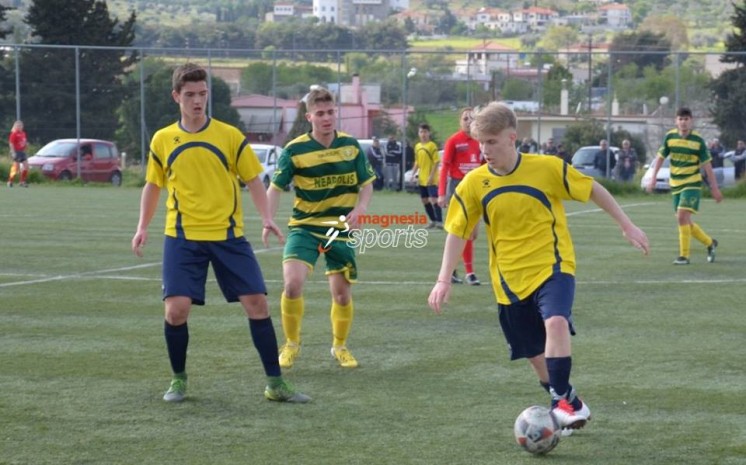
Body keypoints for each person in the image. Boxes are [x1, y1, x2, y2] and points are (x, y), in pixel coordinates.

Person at [428, 101, 650, 432]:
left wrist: (626, 225)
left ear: (511, 137)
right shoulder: (473, 183)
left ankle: (560, 403)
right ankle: (568, 398)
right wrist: (443, 279)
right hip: (508, 279)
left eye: (492, 141)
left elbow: (592, 188)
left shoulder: (547, 168)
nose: (485, 150)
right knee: (534, 354)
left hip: (553, 266)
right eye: (481, 142)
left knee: (556, 322)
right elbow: (457, 231)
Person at [131, 63, 309, 404]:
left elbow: (253, 180)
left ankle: (275, 384)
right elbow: (153, 185)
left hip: (228, 236)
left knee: (257, 303)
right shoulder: (163, 139)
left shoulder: (229, 136)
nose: (197, 101)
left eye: (202, 94)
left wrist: (266, 217)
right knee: (176, 311)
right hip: (182, 237)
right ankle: (178, 380)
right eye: (190, 95)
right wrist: (142, 226)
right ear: (176, 97)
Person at [267, 86, 375, 370]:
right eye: (320, 114)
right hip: (304, 227)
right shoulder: (294, 150)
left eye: (330, 112)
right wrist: (268, 218)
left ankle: (340, 346)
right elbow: (275, 188)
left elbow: (366, 184)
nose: (326, 118)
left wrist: (361, 208)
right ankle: (291, 344)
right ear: (309, 116)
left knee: (341, 294)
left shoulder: (351, 146)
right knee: (292, 284)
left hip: (339, 229)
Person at [646, 107, 722, 265]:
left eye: (686, 119)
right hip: (676, 184)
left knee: (681, 217)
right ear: (676, 121)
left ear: (691, 121)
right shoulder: (670, 137)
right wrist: (653, 178)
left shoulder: (698, 140)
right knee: (685, 220)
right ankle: (710, 243)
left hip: (692, 183)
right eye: (680, 119)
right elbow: (660, 158)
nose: (683, 122)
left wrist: (714, 188)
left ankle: (684, 256)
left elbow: (707, 166)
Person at [438, 107, 482, 285]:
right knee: (462, 230)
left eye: (471, 118)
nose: (468, 121)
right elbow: (445, 167)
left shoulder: (480, 141)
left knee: (473, 233)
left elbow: (485, 166)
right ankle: (470, 273)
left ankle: (453, 270)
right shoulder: (454, 141)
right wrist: (442, 193)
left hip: (476, 188)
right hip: (458, 187)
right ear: (460, 121)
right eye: (465, 118)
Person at [412, 123, 442, 229]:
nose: (423, 134)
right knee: (424, 200)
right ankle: (433, 220)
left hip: (431, 178)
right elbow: (417, 162)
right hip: (422, 178)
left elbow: (436, 162)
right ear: (418, 133)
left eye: (425, 132)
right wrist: (412, 174)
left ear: (429, 133)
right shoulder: (417, 146)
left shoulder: (432, 146)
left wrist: (431, 176)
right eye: (421, 132)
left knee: (434, 199)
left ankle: (439, 221)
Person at [8, 120, 29, 188]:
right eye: (18, 125)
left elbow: (24, 142)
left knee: (26, 166)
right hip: (16, 152)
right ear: (15, 126)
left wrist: (26, 145)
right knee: (16, 168)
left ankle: (22, 182)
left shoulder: (23, 133)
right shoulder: (14, 134)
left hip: (22, 152)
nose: (19, 127)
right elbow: (11, 144)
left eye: (20, 125)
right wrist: (13, 152)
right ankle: (10, 181)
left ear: (22, 126)